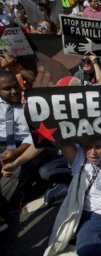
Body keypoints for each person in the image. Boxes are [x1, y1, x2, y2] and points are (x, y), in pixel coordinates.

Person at [0, 70, 44, 232]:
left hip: (27, 147)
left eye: (16, 86)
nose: (14, 91)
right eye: (7, 89)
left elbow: (38, 136)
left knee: (11, 177)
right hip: (2, 144)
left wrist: (16, 153)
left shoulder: (32, 101)